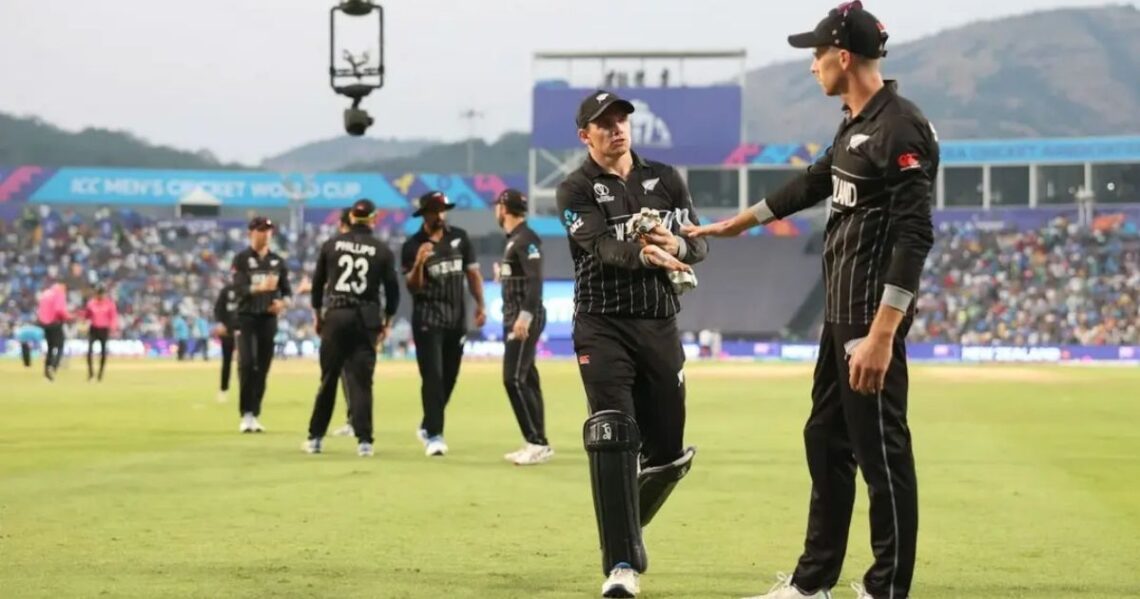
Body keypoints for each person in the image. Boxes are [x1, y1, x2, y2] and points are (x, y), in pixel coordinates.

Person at [684, 4, 936, 598]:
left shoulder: (901, 127)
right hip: (841, 314)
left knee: (881, 454)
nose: (811, 66)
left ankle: (886, 588)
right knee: (824, 439)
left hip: (869, 318)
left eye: (816, 55)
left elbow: (915, 234)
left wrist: (882, 335)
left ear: (842, 56)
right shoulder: (856, 122)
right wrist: (736, 224)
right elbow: (813, 182)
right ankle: (812, 582)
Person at [555, 89, 708, 597]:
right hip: (601, 324)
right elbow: (599, 246)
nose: (617, 128)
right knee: (613, 435)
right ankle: (621, 564)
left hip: (659, 322)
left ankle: (621, 520)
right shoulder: (575, 189)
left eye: (622, 119)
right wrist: (646, 255)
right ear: (585, 135)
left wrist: (677, 244)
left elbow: (699, 243)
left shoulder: (666, 178)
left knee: (668, 457)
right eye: (605, 123)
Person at [304, 199, 400, 457]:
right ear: (373, 219)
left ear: (350, 218)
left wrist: (317, 315)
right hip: (366, 318)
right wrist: (387, 321)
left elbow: (317, 285)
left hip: (336, 315)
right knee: (362, 382)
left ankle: (315, 438)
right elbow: (393, 291)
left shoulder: (331, 245)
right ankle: (364, 441)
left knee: (328, 379)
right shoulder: (382, 250)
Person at [401, 191, 486, 457]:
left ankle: (428, 423)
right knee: (433, 377)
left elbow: (473, 274)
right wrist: (419, 263)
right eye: (435, 210)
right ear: (425, 214)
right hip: (427, 320)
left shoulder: (459, 237)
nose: (440, 215)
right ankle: (435, 436)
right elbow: (413, 287)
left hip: (456, 319)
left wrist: (481, 304)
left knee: (449, 377)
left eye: (443, 210)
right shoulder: (412, 245)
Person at [494, 188, 553, 466]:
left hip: (522, 319)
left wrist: (525, 317)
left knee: (513, 379)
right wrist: (503, 275)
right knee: (527, 378)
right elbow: (522, 276)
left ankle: (536, 442)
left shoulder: (526, 238)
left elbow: (535, 280)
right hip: (516, 316)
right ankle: (539, 442)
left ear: (503, 209)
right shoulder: (516, 239)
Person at [230, 216, 293, 433]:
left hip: (268, 319)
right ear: (251, 233)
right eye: (261, 230)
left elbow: (287, 292)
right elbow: (238, 289)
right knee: (247, 363)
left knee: (263, 367)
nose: (265, 234)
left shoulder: (277, 261)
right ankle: (246, 414)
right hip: (246, 317)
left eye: (268, 230)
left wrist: (282, 303)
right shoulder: (241, 259)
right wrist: (260, 288)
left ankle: (254, 413)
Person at [83, 284, 119, 382]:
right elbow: (87, 315)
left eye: (101, 293)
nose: (100, 296)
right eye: (98, 293)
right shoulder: (91, 303)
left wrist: (113, 327)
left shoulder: (109, 304)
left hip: (104, 330)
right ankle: (91, 374)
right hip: (93, 329)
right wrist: (84, 322)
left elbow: (113, 316)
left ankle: (100, 374)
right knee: (89, 351)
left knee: (103, 353)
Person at [36, 282, 71, 381]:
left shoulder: (45, 293)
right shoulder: (59, 294)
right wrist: (68, 317)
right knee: (60, 346)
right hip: (55, 323)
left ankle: (46, 373)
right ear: (62, 287)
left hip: (44, 324)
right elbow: (59, 310)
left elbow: (40, 310)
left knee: (50, 348)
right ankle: (53, 366)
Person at [213, 281, 240, 403]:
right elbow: (218, 309)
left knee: (246, 363)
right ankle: (223, 390)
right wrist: (220, 324)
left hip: (244, 331)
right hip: (228, 331)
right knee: (226, 362)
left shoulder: (249, 289)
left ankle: (246, 391)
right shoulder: (226, 290)